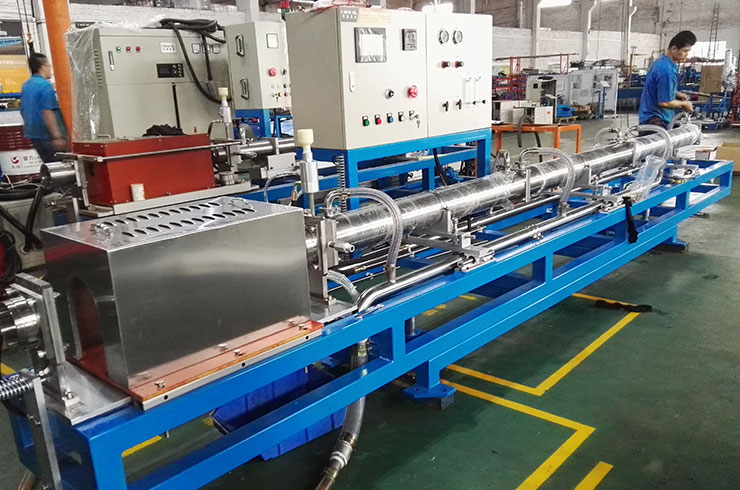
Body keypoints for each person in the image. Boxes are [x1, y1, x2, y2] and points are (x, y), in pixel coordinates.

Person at [639, 31, 697, 128]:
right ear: (674, 49)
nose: (686, 55)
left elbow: (658, 88)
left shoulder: (660, 63)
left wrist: (675, 93)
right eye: (685, 51)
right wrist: (684, 104)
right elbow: (664, 102)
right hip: (656, 121)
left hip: (649, 118)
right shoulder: (667, 70)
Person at [20, 53, 67, 163]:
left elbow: (23, 111)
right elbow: (47, 112)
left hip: (34, 135)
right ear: (42, 67)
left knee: (49, 165)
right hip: (48, 135)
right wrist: (57, 137)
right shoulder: (45, 86)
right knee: (61, 166)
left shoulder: (26, 85)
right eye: (49, 66)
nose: (50, 69)